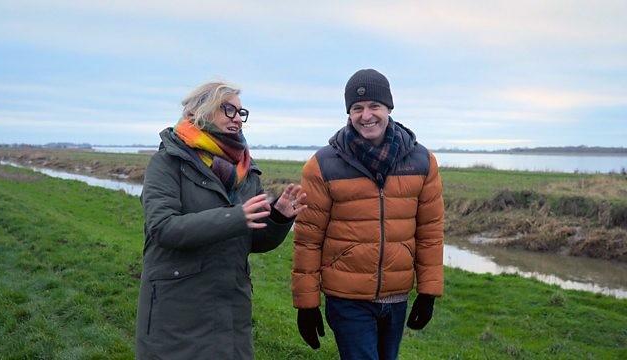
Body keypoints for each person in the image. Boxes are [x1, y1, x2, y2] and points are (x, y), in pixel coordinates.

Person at [135, 81, 307, 359]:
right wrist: (235, 216)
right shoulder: (168, 163)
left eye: (241, 112)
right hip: (177, 307)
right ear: (200, 110)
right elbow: (163, 228)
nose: (238, 118)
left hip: (230, 308)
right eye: (228, 110)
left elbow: (252, 240)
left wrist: (279, 217)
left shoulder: (246, 171)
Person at [291, 69, 444, 359]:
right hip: (346, 299)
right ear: (349, 113)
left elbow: (430, 232)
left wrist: (428, 292)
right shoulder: (322, 165)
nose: (366, 115)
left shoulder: (423, 161)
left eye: (374, 106)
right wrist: (306, 303)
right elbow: (308, 239)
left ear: (389, 108)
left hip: (397, 297)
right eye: (357, 108)